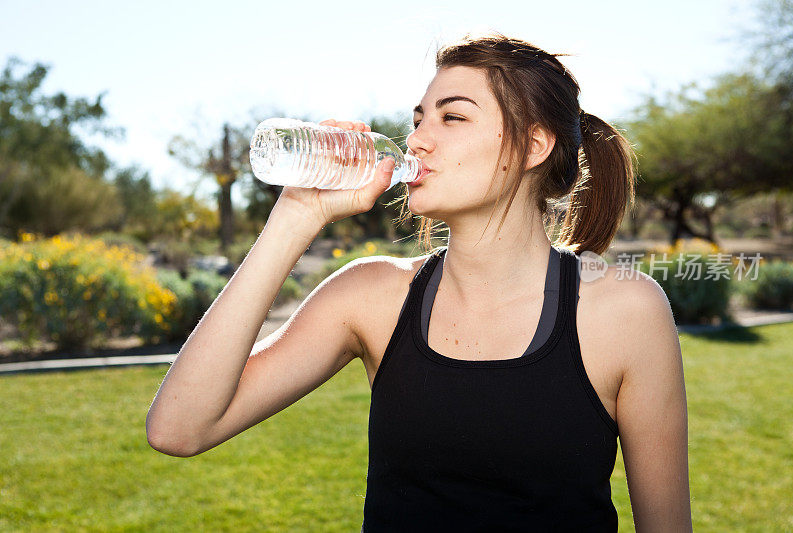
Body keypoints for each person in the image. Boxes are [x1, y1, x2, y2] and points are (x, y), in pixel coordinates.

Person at [146, 32, 692, 532]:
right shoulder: (371, 296)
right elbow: (180, 429)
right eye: (419, 118)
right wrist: (295, 217)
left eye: (452, 118)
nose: (416, 140)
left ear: (534, 147)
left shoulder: (623, 311)